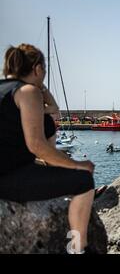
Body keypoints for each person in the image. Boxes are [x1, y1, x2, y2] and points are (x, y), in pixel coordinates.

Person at [0, 44, 95, 254]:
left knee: (48, 123)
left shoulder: (9, 90)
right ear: (37, 69)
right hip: (9, 177)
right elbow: (37, 145)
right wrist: (78, 165)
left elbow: (52, 113)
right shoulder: (27, 91)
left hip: (9, 170)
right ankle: (79, 249)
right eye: (43, 70)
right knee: (84, 181)